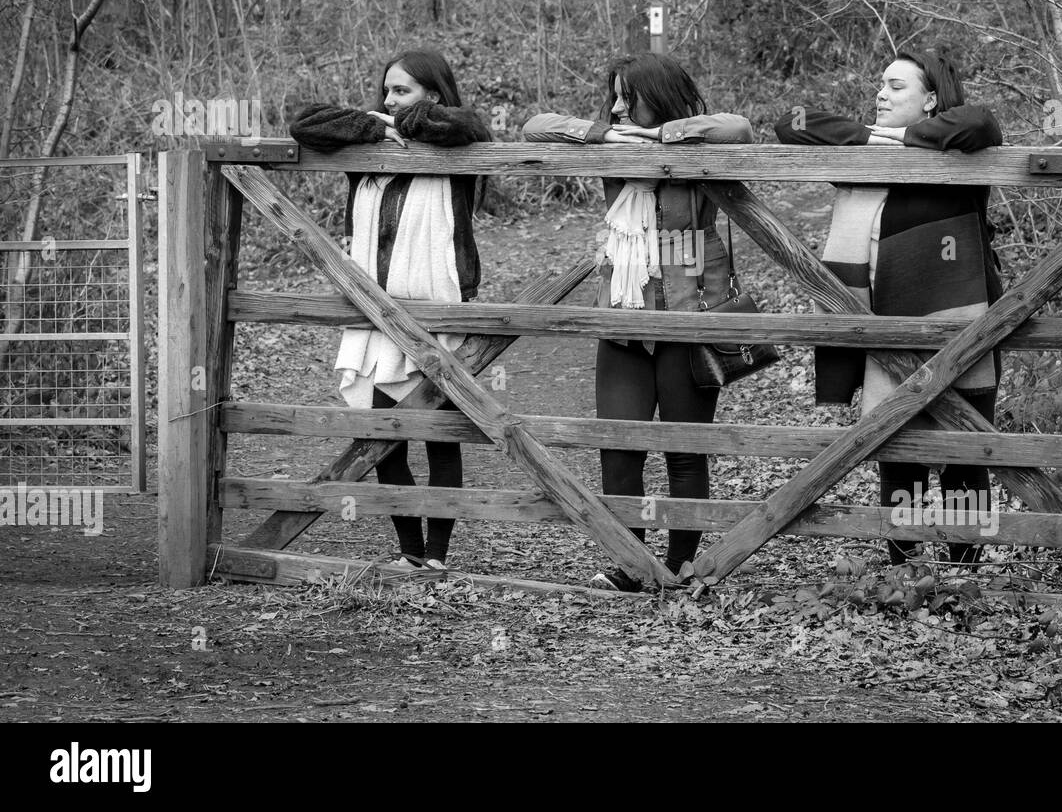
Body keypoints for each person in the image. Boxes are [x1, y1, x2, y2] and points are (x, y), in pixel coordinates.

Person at [523, 52, 754, 591]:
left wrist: (665, 137)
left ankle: (680, 570)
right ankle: (631, 564)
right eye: (616, 95)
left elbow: (737, 126)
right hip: (623, 311)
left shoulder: (695, 136)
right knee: (618, 443)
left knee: (684, 449)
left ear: (663, 96)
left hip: (691, 309)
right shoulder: (613, 141)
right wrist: (605, 135)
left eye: (631, 95)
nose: (620, 105)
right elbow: (536, 128)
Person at [775, 50, 1003, 567]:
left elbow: (981, 121)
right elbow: (791, 124)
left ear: (931, 100)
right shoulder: (864, 156)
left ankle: (964, 571)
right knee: (897, 452)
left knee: (962, 456)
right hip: (884, 335)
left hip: (960, 332)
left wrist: (900, 138)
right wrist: (875, 137)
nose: (881, 93)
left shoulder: (958, 153)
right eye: (881, 84)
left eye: (897, 87)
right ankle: (904, 567)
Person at [290, 48, 492, 569]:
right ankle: (408, 553)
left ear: (433, 93)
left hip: (439, 311)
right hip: (373, 312)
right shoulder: (371, 141)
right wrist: (378, 127)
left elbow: (464, 124)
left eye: (401, 90)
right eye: (386, 91)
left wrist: (403, 122)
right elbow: (305, 124)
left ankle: (439, 555)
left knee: (437, 436)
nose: (388, 100)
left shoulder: (457, 140)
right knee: (385, 438)